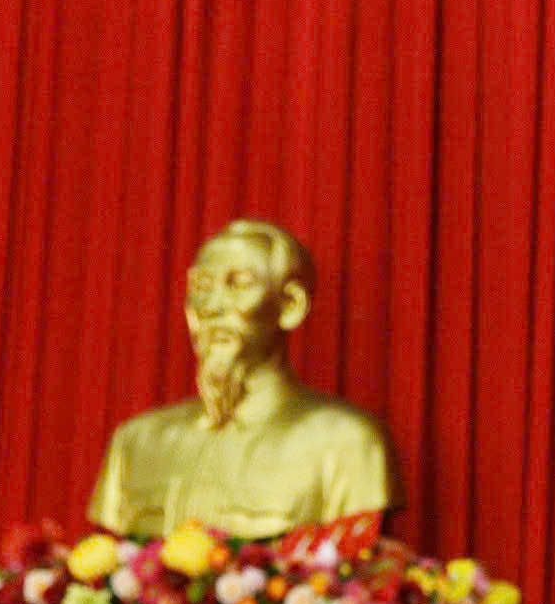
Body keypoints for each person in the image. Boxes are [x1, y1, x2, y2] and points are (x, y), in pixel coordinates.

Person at [88, 218, 397, 541]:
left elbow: (354, 559)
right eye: (201, 288)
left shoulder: (347, 444)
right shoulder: (137, 442)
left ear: (291, 306)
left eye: (238, 285)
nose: (210, 307)